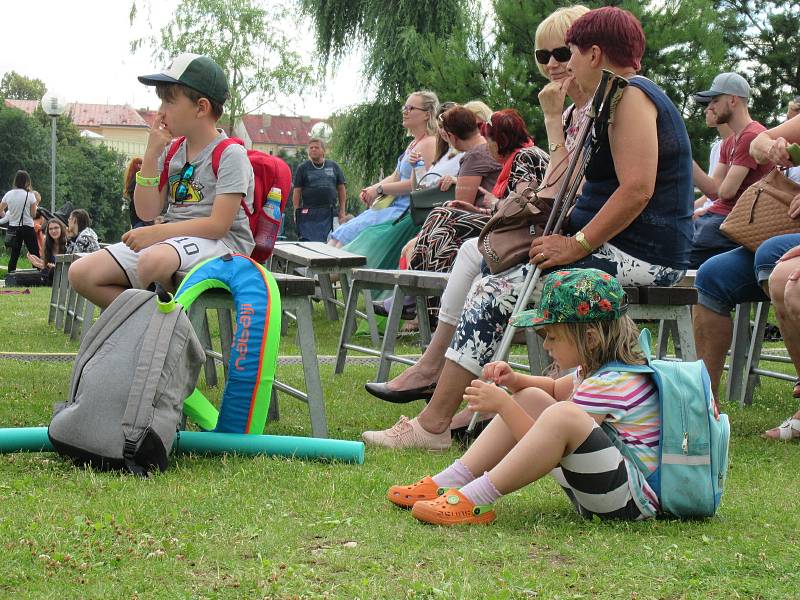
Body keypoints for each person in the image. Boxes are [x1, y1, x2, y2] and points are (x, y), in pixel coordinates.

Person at [362, 6, 694, 450]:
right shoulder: (609, 99)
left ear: (594, 54)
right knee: (496, 270)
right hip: (622, 247)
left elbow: (637, 190)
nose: (565, 65)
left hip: (649, 257)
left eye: (570, 53)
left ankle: (435, 424)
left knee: (501, 284)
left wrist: (576, 245)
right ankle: (453, 412)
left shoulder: (631, 95)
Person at [365, 3, 591, 405]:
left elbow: (559, 192)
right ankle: (434, 360)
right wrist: (556, 120)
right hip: (560, 230)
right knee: (464, 239)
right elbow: (551, 190)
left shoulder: (582, 118)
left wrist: (553, 122)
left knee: (462, 239)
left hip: (582, 238)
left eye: (562, 52)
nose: (553, 64)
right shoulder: (572, 114)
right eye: (544, 56)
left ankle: (437, 373)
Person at [388, 269, 661, 525]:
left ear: (590, 339)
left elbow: (551, 450)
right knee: (531, 396)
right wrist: (516, 381)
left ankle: (475, 499)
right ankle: (450, 481)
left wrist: (504, 405)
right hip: (609, 491)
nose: (546, 345)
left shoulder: (608, 384)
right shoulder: (605, 373)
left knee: (562, 415)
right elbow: (554, 390)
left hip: (628, 504)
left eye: (552, 337)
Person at [68, 53, 255, 309]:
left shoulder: (231, 154)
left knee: (153, 261)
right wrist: (151, 153)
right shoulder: (173, 151)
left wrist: (156, 233)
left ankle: (162, 336)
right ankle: (155, 329)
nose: (161, 112)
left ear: (201, 107)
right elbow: (147, 211)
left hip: (224, 247)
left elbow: (218, 225)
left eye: (169, 102)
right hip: (173, 241)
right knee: (81, 274)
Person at [692, 111, 800, 437]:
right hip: (783, 225)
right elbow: (757, 142)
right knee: (711, 275)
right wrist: (773, 147)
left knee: (770, 255)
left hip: (781, 243)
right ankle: (704, 405)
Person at [328, 91, 438, 249]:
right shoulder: (414, 143)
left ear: (427, 114)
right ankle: (320, 270)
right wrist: (372, 189)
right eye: (404, 107)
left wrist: (380, 189)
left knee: (346, 240)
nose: (405, 112)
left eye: (410, 108)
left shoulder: (429, 143)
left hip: (405, 211)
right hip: (392, 207)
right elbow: (396, 175)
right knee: (342, 233)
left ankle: (329, 271)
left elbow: (420, 184)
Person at [689, 73, 772, 268]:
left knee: (677, 251)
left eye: (715, 100)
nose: (710, 107)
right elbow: (715, 190)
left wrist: (707, 208)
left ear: (733, 100)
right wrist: (685, 158)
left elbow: (726, 192)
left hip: (738, 222)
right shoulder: (729, 141)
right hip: (721, 219)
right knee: (677, 239)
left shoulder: (752, 135)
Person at [292, 137, 346, 242]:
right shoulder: (302, 168)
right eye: (311, 147)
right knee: (309, 244)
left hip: (331, 213)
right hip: (309, 214)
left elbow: (342, 189)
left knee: (332, 243)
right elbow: (297, 191)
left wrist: (342, 211)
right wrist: (296, 212)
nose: (313, 149)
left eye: (316, 147)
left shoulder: (334, 166)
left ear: (323, 150)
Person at [693, 105, 734, 215]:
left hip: (721, 218)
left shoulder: (740, 145)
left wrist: (685, 159)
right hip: (710, 215)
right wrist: (689, 209)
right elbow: (709, 197)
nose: (706, 110)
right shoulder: (717, 147)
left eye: (714, 102)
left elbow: (721, 196)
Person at [0, 170, 40, 272]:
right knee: (34, 253)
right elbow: (33, 215)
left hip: (13, 228)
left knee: (14, 255)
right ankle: (38, 276)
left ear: (16, 181)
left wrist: (9, 216)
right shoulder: (30, 195)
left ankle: (10, 278)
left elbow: (0, 209)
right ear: (27, 181)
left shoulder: (8, 194)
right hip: (27, 227)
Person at [29, 217, 68, 284]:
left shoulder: (67, 245)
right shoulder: (48, 245)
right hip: (51, 277)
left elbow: (67, 268)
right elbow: (48, 265)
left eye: (56, 228)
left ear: (61, 229)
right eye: (51, 229)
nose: (53, 231)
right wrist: (38, 261)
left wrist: (38, 264)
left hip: (64, 278)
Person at [123, 157, 152, 229]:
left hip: (135, 217)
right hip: (142, 218)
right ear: (139, 165)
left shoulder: (131, 181)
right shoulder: (138, 181)